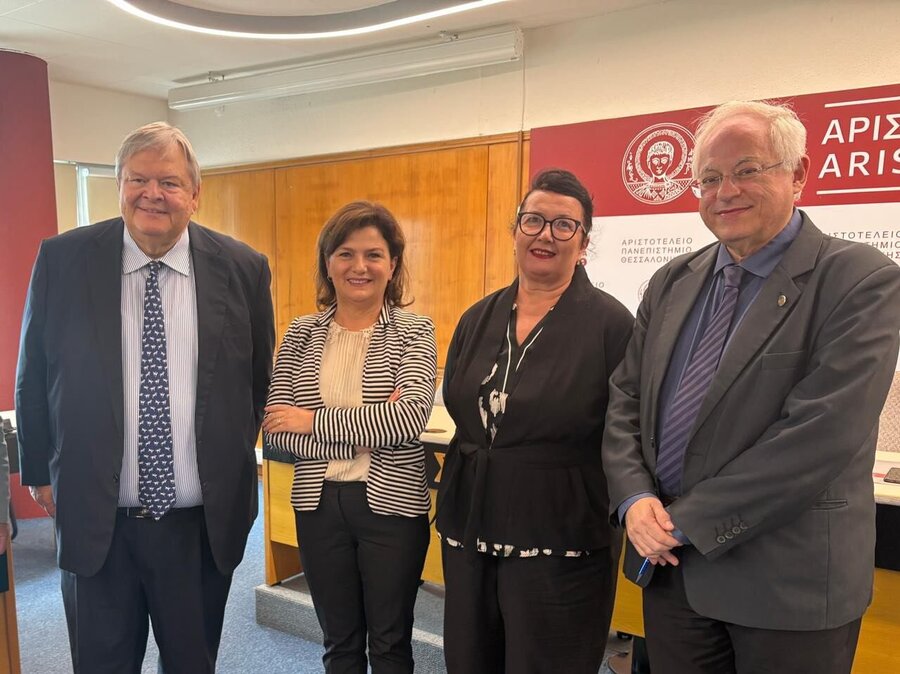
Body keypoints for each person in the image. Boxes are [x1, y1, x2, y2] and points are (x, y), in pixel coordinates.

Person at [602, 100, 900, 674]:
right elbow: (626, 401)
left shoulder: (860, 280)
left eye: (747, 170)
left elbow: (819, 436)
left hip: (786, 588)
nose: (726, 192)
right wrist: (634, 500)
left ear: (799, 174)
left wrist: (682, 522)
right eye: (709, 178)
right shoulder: (672, 281)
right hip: (673, 578)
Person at [15, 122, 275, 673]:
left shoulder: (244, 268)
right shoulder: (64, 260)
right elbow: (32, 375)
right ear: (119, 185)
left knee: (190, 664)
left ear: (195, 194)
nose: (152, 194)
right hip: (96, 520)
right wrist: (39, 469)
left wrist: (225, 463)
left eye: (169, 182)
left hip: (198, 526)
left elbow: (256, 382)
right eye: (138, 179)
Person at [436, 168, 634, 673]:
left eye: (564, 225)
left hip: (559, 535)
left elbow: (627, 431)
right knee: (470, 661)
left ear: (583, 243)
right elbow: (461, 405)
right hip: (471, 525)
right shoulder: (478, 317)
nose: (545, 234)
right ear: (516, 230)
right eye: (534, 220)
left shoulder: (612, 325)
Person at [263, 201, 437, 673]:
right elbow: (277, 429)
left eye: (373, 254)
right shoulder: (300, 334)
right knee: (338, 642)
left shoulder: (414, 331)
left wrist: (310, 420)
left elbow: (407, 420)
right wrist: (369, 427)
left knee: (390, 643)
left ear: (392, 264)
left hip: (392, 507)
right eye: (345, 253)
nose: (359, 266)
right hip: (318, 504)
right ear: (328, 263)